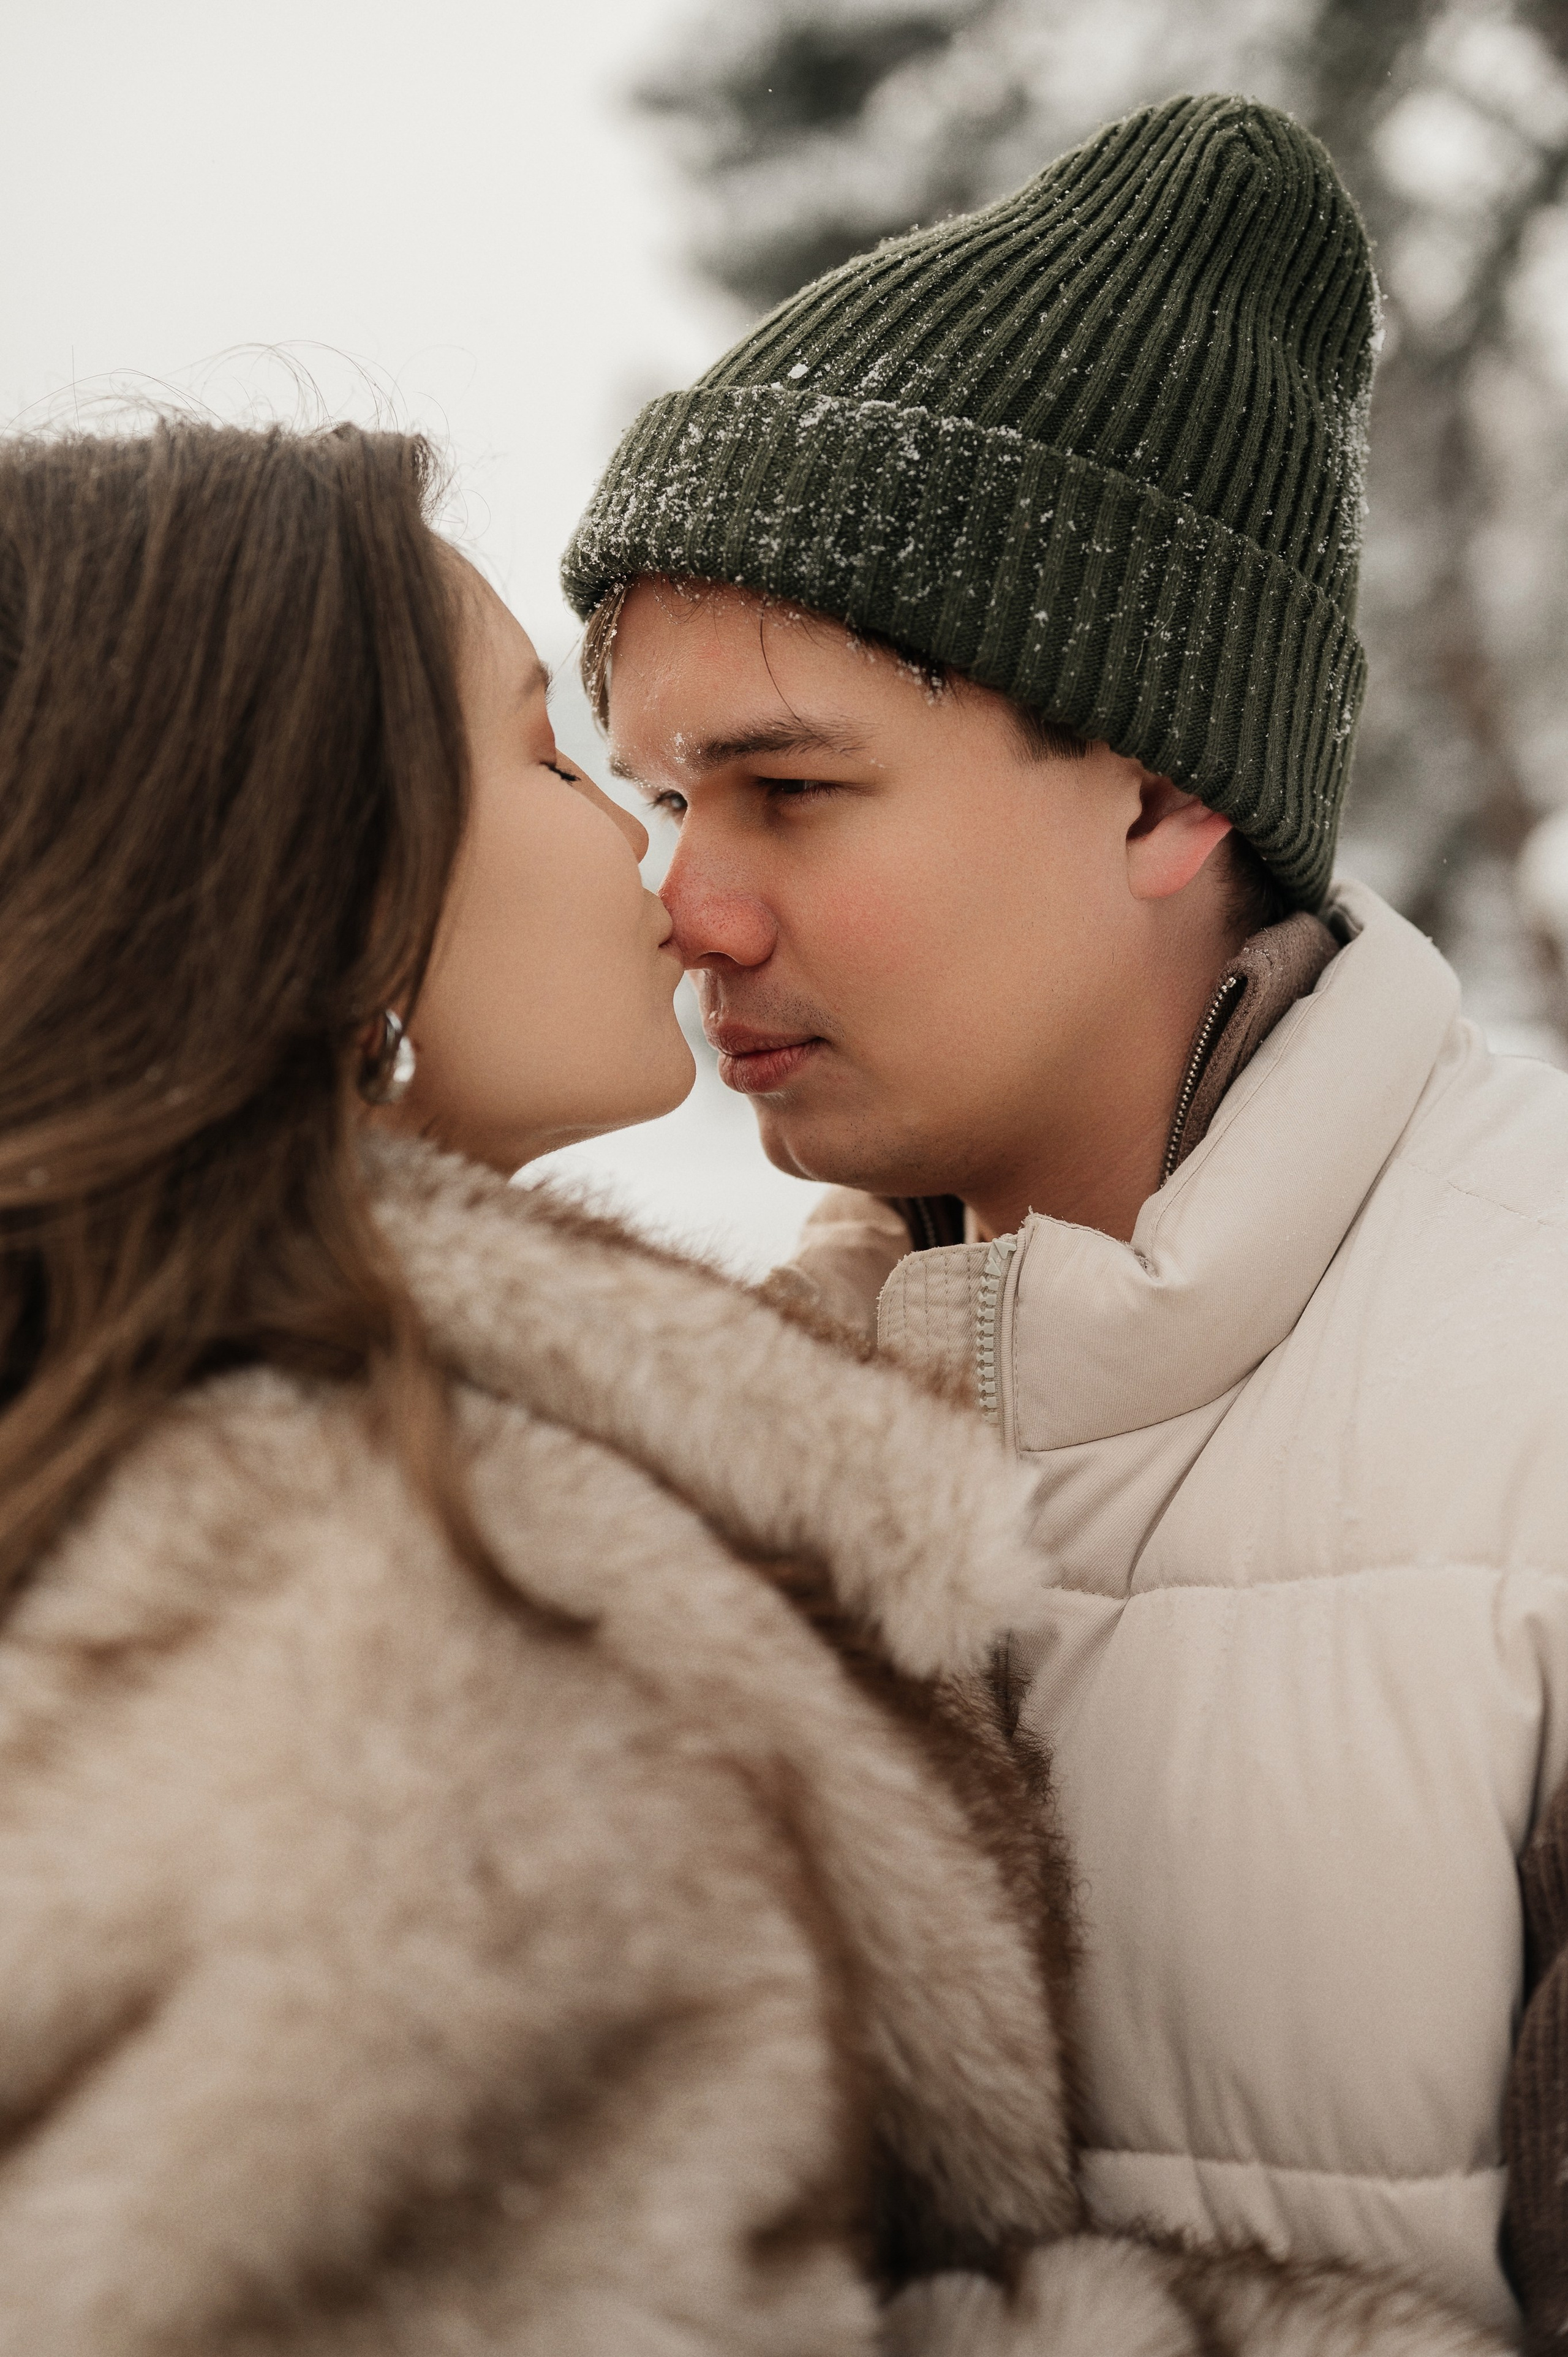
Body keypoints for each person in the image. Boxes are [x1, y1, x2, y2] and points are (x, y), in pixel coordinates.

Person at [564, 91, 1568, 2349]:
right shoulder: (720, 1459)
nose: (686, 906)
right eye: (656, 797)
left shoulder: (1547, 1392)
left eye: (792, 789)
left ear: (1163, 782)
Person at [0, 417, 1093, 2355]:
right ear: (309, 871)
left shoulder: (219, 1476)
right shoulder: (382, 1650)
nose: (661, 872)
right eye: (547, 757)